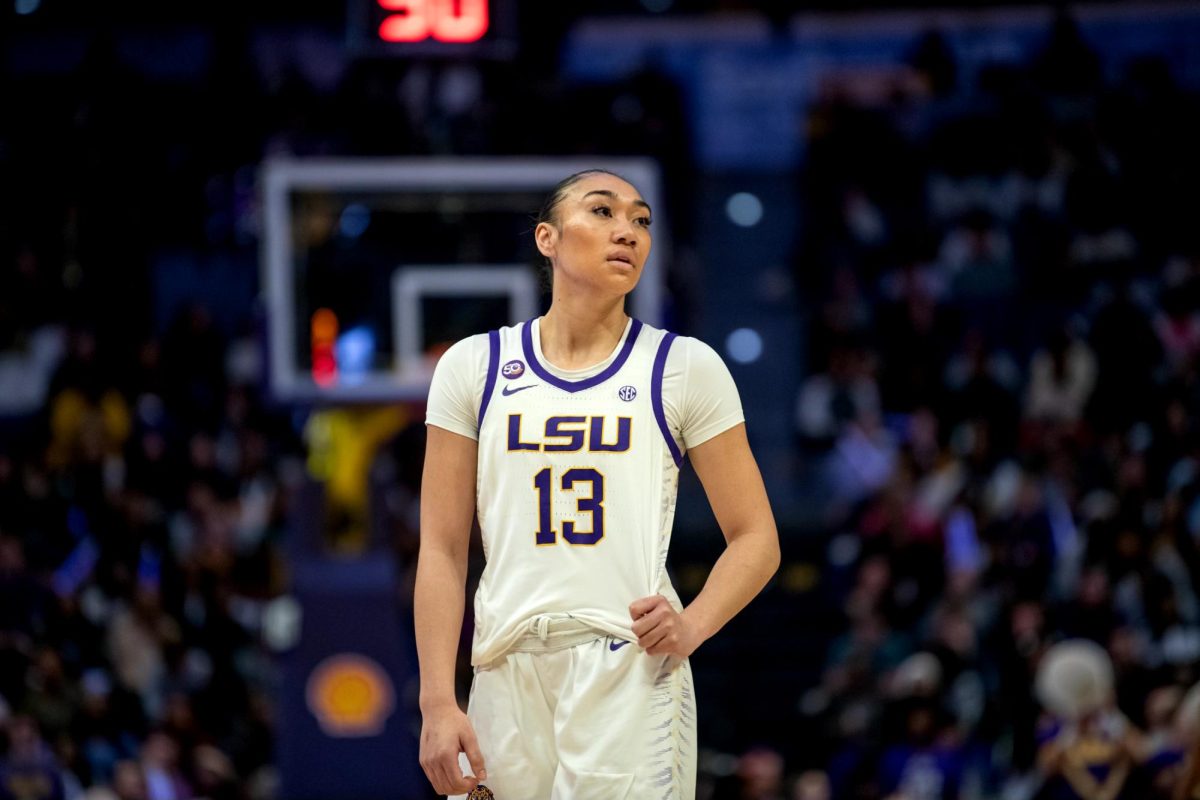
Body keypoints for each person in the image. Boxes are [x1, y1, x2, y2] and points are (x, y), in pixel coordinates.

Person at [415, 168, 780, 799]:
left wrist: (691, 626)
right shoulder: (474, 366)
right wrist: (437, 703)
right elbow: (443, 550)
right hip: (503, 668)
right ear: (547, 239)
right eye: (603, 212)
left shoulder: (683, 367)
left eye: (640, 221)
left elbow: (757, 539)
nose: (628, 232)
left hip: (625, 670)